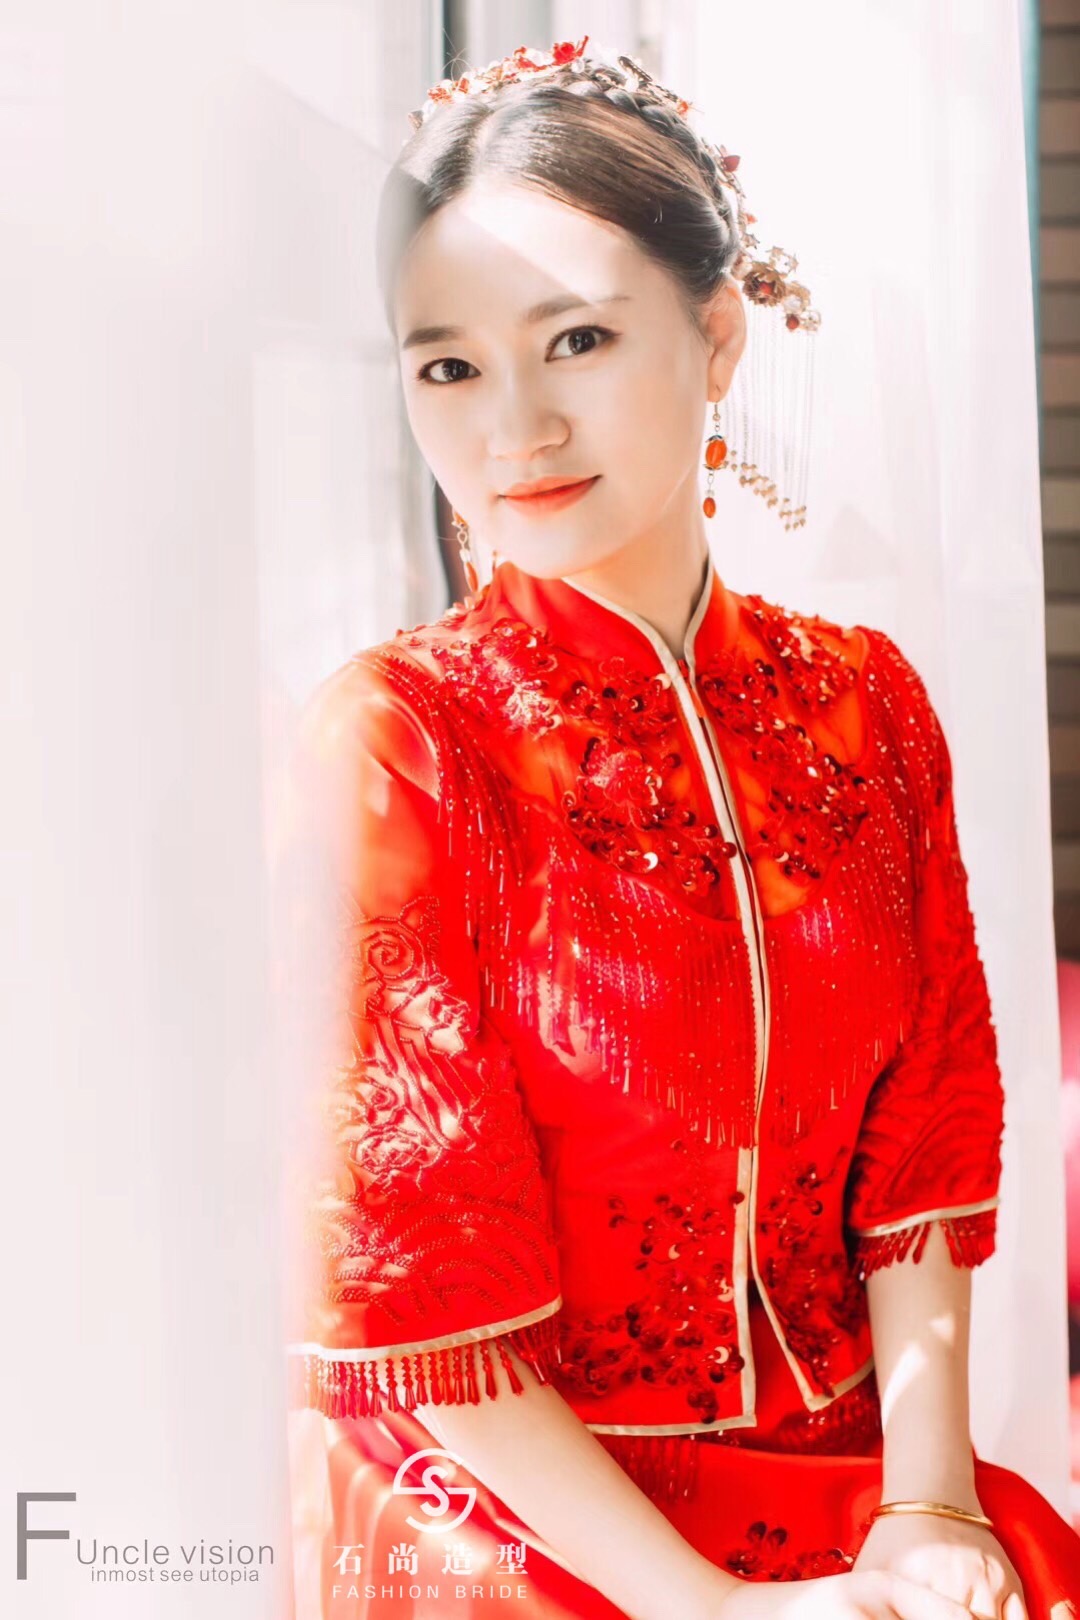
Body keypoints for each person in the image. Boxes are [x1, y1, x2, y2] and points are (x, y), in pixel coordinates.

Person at [275, 38, 1080, 1620]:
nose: (514, 428)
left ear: (716, 339)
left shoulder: (868, 704)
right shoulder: (401, 740)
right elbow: (413, 1269)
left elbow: (926, 1138)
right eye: (448, 367)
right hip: (514, 1519)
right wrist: (711, 1611)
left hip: (855, 1478)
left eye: (576, 339)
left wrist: (928, 1505)